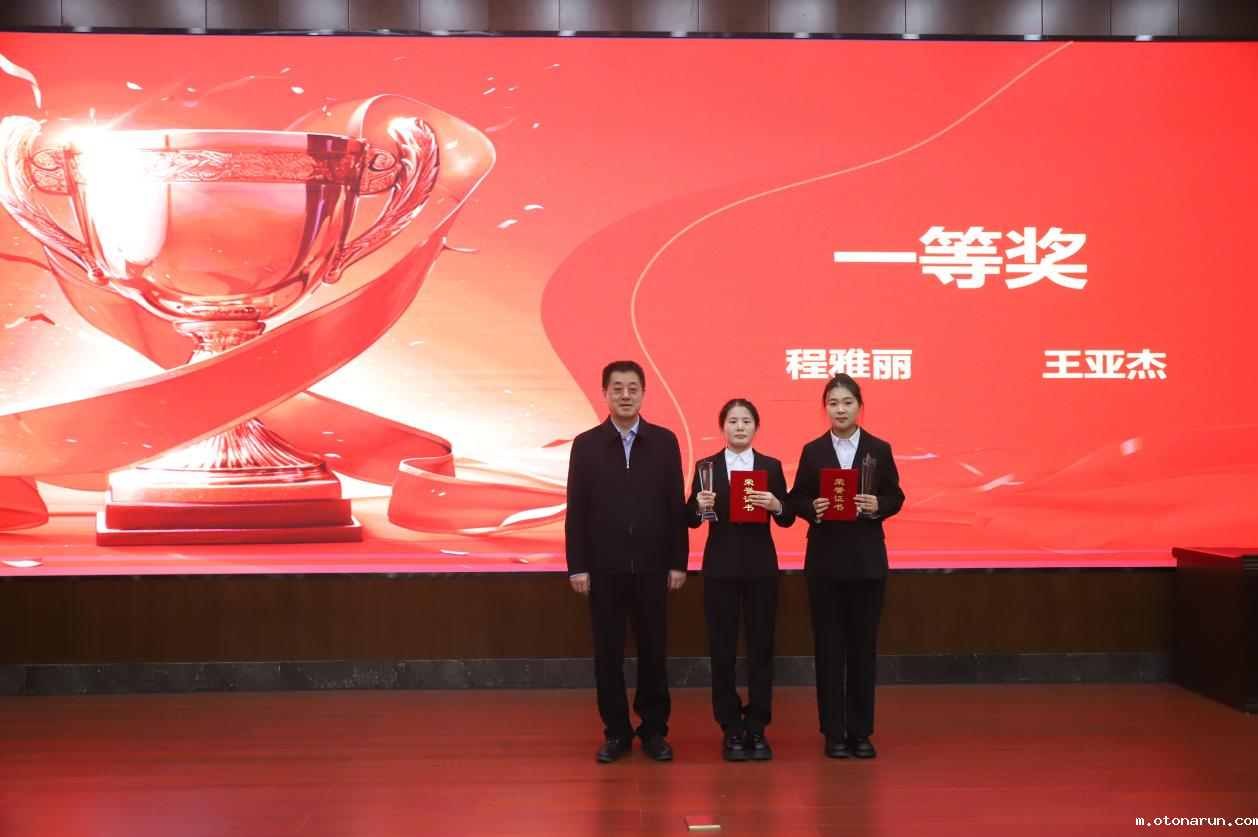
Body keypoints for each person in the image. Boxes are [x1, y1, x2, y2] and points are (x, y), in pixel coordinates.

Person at [566, 360, 689, 763]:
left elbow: (674, 506)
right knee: (608, 655)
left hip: (653, 567)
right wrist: (578, 565)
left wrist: (678, 561)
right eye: (617, 388)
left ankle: (653, 731)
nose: (625, 395)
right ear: (604, 394)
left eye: (632, 388)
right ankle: (616, 732)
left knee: (654, 652)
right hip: (604, 569)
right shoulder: (586, 445)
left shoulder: (665, 442)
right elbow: (576, 510)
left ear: (643, 394)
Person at [789, 373, 904, 759]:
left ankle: (860, 731)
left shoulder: (879, 449)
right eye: (833, 403)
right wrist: (812, 509)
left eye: (847, 402)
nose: (840, 409)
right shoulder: (812, 451)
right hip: (824, 564)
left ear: (859, 406)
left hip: (866, 562)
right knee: (828, 649)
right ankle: (833, 731)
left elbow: (896, 495)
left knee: (862, 649)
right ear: (825, 408)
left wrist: (879, 505)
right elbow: (796, 497)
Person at [687, 398, 795, 761]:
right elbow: (689, 518)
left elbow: (787, 517)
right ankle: (731, 727)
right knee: (722, 651)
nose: (739, 427)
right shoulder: (707, 466)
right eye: (732, 421)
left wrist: (776, 505)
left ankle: (758, 726)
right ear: (723, 427)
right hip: (719, 568)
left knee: (761, 648)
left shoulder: (770, 466)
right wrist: (698, 506)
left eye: (746, 421)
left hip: (761, 568)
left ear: (756, 427)